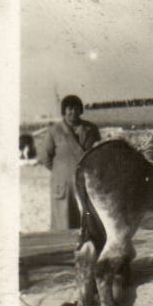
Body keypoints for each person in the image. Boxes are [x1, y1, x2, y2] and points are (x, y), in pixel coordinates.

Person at [34, 94, 101, 230]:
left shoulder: (91, 129)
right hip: (64, 183)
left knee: (89, 217)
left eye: (76, 108)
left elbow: (99, 151)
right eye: (69, 109)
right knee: (64, 219)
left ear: (80, 110)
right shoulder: (54, 131)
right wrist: (60, 170)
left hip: (86, 179)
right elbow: (45, 156)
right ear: (64, 111)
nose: (73, 112)